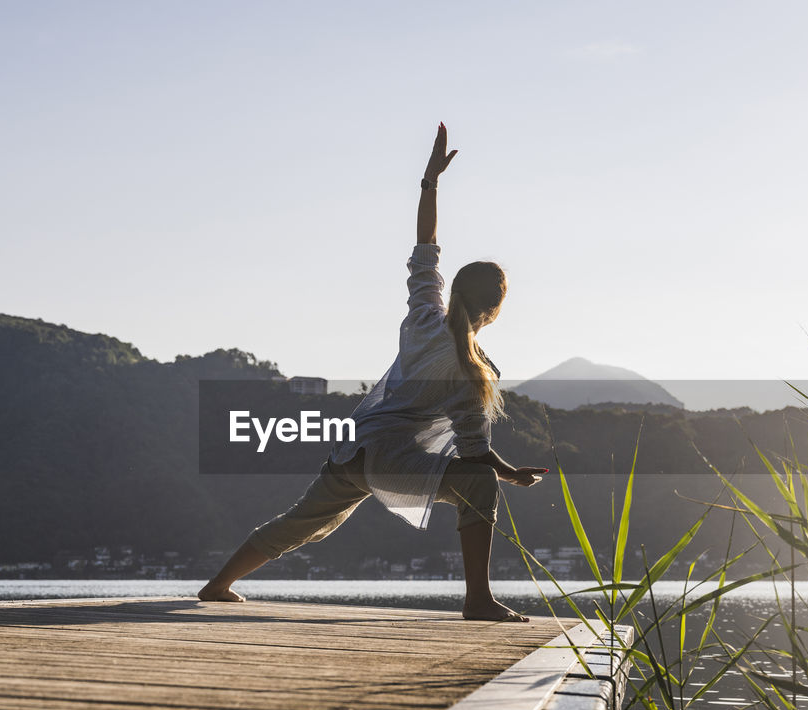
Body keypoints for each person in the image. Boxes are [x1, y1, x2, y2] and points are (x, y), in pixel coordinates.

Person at [199, 123, 548, 621]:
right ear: (494, 309)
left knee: (302, 522)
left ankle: (218, 584)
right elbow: (474, 455)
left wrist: (429, 182)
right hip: (392, 459)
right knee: (481, 485)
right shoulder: (472, 369)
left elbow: (426, 245)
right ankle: (478, 599)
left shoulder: (424, 315)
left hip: (354, 446)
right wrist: (508, 473)